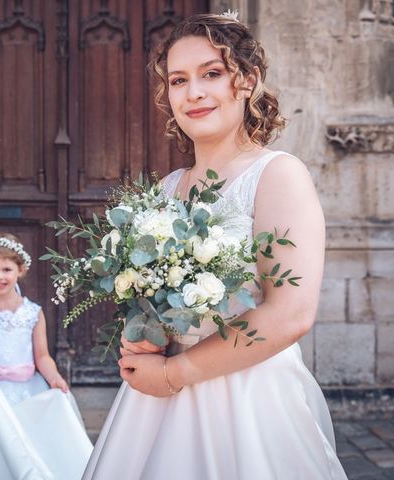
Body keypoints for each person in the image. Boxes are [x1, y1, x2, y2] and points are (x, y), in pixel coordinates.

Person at [82, 12, 348, 480]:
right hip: (155, 410)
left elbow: (290, 314)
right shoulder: (167, 189)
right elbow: (153, 301)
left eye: (212, 73)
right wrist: (141, 332)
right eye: (179, 80)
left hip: (248, 401)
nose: (194, 93)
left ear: (247, 81)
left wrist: (172, 375)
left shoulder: (278, 175)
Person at [0, 233, 92, 480]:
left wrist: (54, 378)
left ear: (21, 270)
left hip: (28, 391)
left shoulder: (33, 313)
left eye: (7, 269)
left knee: (26, 446)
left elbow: (42, 356)